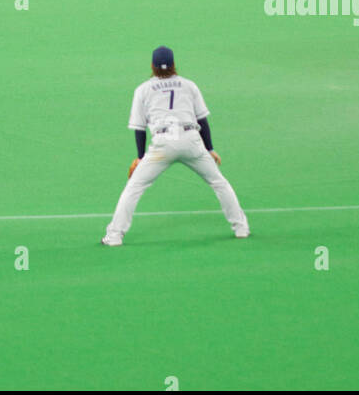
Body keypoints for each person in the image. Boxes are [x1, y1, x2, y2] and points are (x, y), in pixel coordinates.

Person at [100, 45, 250, 248]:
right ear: (174, 65)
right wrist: (210, 149)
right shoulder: (189, 85)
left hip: (162, 145)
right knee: (218, 182)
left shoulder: (143, 89)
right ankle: (241, 228)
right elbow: (202, 120)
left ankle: (115, 236)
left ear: (152, 66)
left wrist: (140, 156)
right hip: (191, 141)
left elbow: (139, 128)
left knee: (134, 187)